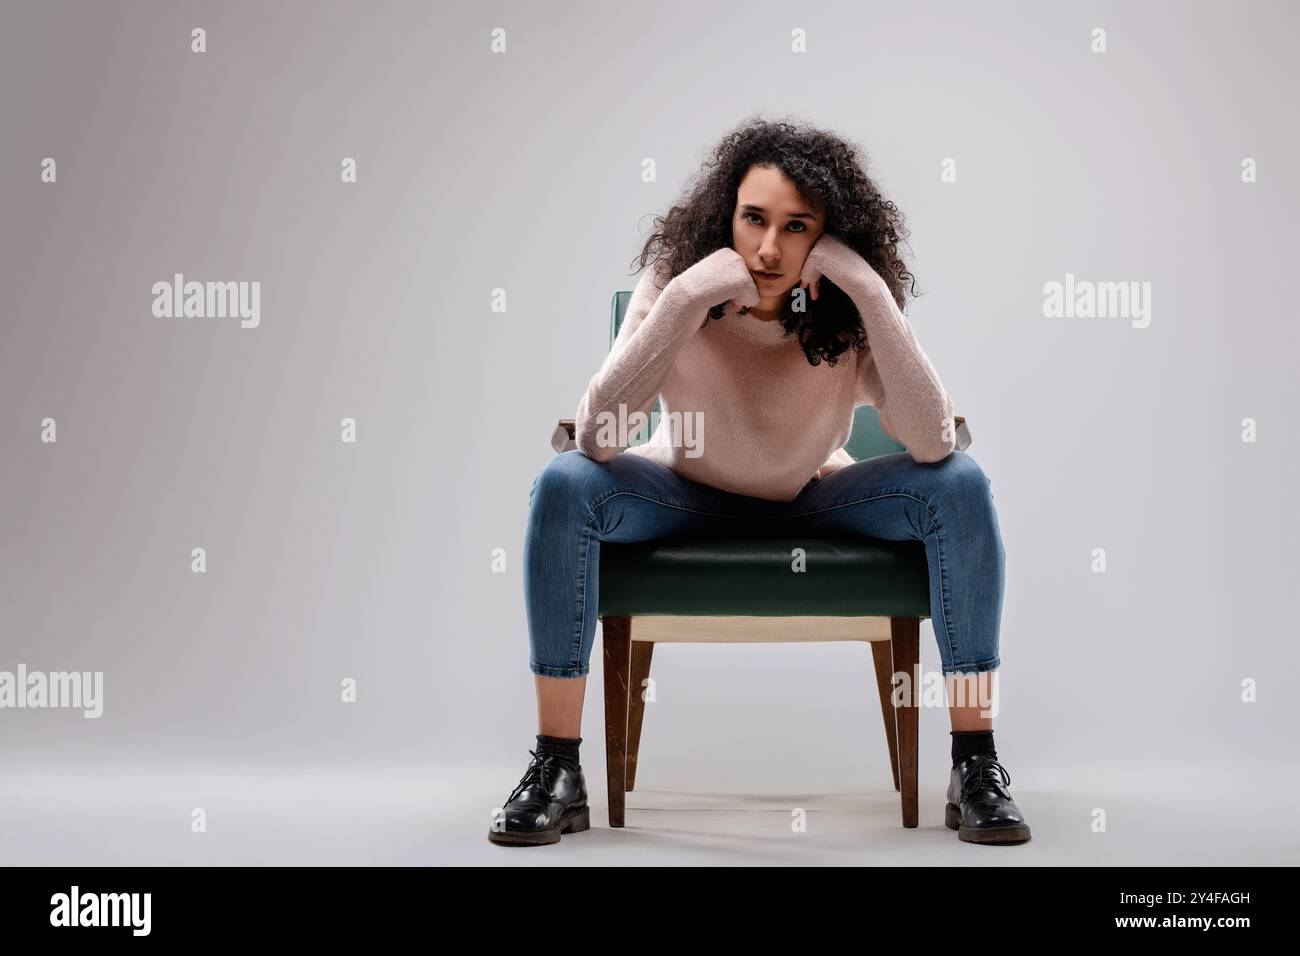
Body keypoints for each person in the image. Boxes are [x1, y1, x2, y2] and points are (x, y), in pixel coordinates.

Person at [489, 117, 1030, 848]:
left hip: (812, 501)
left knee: (960, 483)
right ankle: (557, 769)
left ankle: (976, 767)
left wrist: (869, 291)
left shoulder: (842, 307)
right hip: (681, 499)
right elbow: (600, 438)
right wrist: (683, 300)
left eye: (796, 226)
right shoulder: (677, 284)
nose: (769, 248)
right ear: (727, 216)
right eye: (753, 219)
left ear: (826, 238)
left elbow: (933, 441)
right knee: (564, 483)